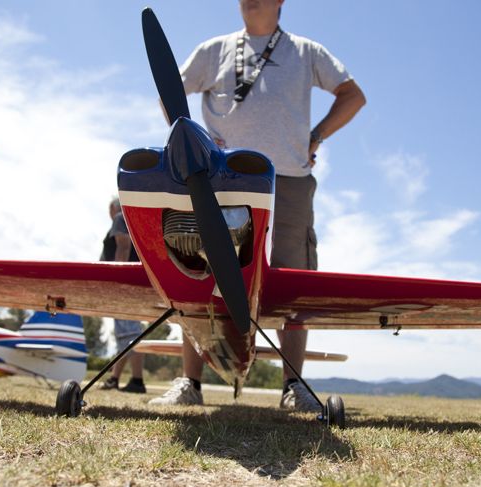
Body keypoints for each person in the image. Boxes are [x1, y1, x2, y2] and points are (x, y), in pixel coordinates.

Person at [149, 0, 365, 409]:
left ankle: (293, 386)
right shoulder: (213, 50)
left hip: (289, 179)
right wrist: (194, 140)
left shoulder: (306, 51)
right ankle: (190, 383)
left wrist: (316, 136)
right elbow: (169, 93)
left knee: (293, 276)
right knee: (198, 267)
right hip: (221, 178)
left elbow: (353, 95)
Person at [99, 198, 147, 393]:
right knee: (124, 334)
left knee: (130, 333)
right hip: (131, 286)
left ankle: (137, 380)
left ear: (113, 208)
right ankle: (114, 378)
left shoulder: (121, 217)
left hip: (124, 286)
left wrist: (118, 280)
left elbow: (123, 246)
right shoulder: (130, 220)